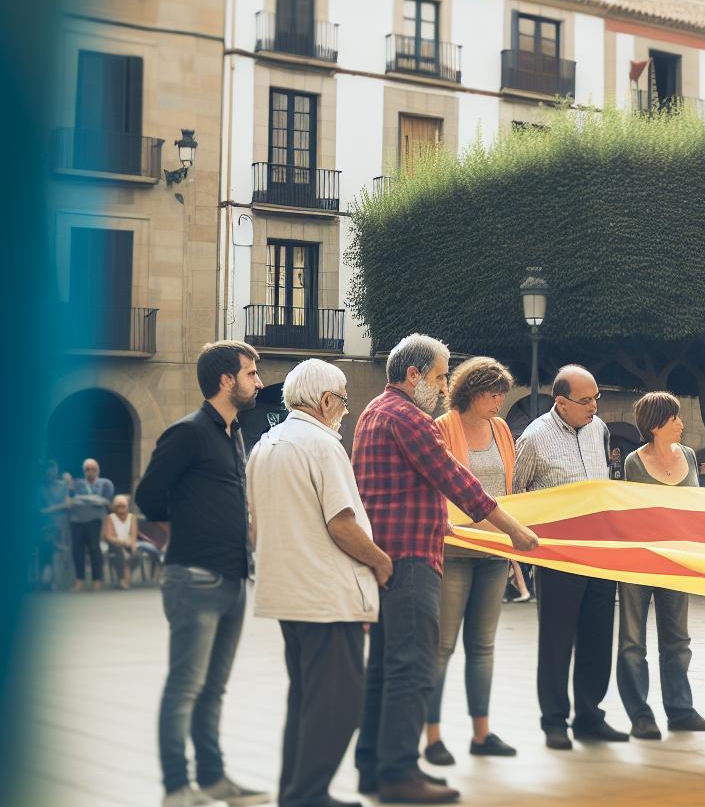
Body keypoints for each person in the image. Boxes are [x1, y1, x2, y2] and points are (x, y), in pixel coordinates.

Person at [352, 334, 540, 804]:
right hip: (413, 560)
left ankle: (372, 765)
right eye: (437, 377)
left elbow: (390, 489)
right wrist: (512, 528)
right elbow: (459, 482)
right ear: (412, 375)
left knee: (385, 667)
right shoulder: (411, 418)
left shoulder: (373, 412)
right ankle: (399, 772)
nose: (441, 387)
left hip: (386, 557)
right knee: (413, 667)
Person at [249, 359, 392, 807]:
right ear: (326, 400)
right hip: (325, 596)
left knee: (306, 701)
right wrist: (381, 561)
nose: (346, 409)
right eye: (344, 399)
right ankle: (307, 795)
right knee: (339, 703)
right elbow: (342, 524)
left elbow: (255, 525)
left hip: (288, 591)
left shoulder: (265, 444)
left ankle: (296, 793)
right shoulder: (322, 445)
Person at [133, 341, 271, 807]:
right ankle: (177, 787)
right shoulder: (188, 433)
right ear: (226, 380)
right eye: (252, 374)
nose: (259, 382)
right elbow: (148, 497)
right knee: (185, 687)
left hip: (233, 579)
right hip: (194, 578)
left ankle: (212, 779)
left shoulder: (232, 434)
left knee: (214, 688)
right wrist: (183, 534)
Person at [515, 364, 626, 750]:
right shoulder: (533, 438)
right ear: (560, 403)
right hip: (558, 557)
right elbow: (518, 492)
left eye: (597, 397)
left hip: (598, 552)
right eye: (585, 400)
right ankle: (554, 721)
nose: (594, 406)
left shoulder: (599, 429)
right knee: (557, 639)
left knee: (598, 636)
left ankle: (590, 716)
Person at [425, 357, 522, 766]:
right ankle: (432, 737)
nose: (500, 399)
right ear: (470, 392)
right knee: (442, 646)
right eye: (492, 391)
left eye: (502, 391)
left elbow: (509, 488)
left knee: (482, 646)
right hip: (454, 551)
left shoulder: (501, 429)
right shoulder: (442, 427)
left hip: (494, 553)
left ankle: (481, 733)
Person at [615, 391, 705, 739]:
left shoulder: (688, 455)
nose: (681, 423)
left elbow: (696, 506)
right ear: (656, 424)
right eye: (675, 418)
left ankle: (681, 710)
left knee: (677, 640)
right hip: (639, 564)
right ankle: (640, 715)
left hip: (677, 562)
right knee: (632, 641)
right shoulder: (633, 462)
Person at [66, 458, 115, 591]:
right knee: (77, 550)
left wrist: (83, 499)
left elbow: (105, 501)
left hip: (95, 520)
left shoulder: (105, 483)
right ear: (83, 471)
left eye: (93, 469)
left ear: (98, 470)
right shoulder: (77, 483)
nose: (90, 472)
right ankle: (79, 580)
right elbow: (71, 500)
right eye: (87, 469)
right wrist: (93, 500)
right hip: (77, 520)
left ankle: (97, 580)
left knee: (95, 549)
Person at [102, 494, 141, 589]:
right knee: (118, 554)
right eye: (118, 506)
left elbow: (133, 536)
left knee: (136, 555)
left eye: (123, 506)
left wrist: (133, 547)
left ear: (127, 506)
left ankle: (125, 579)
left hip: (127, 544)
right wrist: (120, 541)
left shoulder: (132, 517)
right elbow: (108, 536)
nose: (121, 509)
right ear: (114, 507)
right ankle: (123, 580)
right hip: (114, 544)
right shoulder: (110, 517)